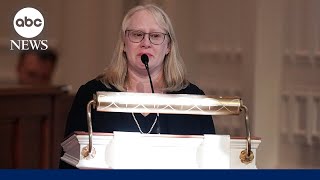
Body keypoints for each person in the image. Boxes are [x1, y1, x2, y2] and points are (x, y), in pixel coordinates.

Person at [60, 4, 215, 168]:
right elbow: (68, 164)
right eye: (137, 34)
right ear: (124, 44)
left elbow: (210, 164)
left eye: (155, 36)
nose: (145, 43)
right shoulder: (91, 95)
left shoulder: (193, 98)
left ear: (168, 46)